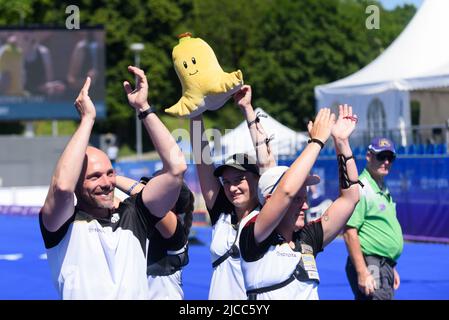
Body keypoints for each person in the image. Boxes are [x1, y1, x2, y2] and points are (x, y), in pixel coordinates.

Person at [39, 66, 186, 299]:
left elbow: (176, 168)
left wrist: (143, 109)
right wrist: (87, 119)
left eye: (110, 173)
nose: (107, 182)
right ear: (77, 183)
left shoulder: (135, 214)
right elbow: (62, 186)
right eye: (94, 176)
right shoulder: (61, 224)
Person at [239, 105, 361, 300]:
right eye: (298, 200)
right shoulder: (254, 234)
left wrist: (341, 142)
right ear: (271, 200)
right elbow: (286, 191)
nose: (305, 206)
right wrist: (316, 142)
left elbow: (351, 198)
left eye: (304, 199)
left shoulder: (307, 238)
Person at [189, 84, 276, 300]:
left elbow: (266, 162)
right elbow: (202, 159)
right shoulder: (222, 212)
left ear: (258, 180)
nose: (232, 188)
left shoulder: (268, 213)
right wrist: (195, 111)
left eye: (239, 180)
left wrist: (247, 109)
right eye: (226, 182)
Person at [115, 175, 194, 300]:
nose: (147, 194)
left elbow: (147, 201)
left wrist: (110, 178)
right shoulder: (139, 225)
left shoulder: (176, 230)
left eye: (153, 189)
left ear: (171, 201)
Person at [343, 137, 403, 300]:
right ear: (369, 156)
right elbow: (349, 232)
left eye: (390, 157)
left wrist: (390, 266)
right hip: (371, 263)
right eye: (381, 156)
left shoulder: (381, 187)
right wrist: (363, 271)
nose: (386, 162)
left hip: (382, 265)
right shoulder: (362, 188)